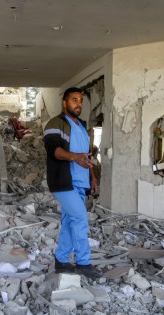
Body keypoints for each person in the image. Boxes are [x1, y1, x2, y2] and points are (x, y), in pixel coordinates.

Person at [43, 87, 102, 279]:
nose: (79, 104)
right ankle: (83, 262)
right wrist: (74, 157)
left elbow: (86, 156)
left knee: (69, 221)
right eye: (74, 100)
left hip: (80, 182)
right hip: (62, 181)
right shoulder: (56, 123)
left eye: (81, 101)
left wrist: (92, 177)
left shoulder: (83, 126)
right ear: (65, 102)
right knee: (80, 218)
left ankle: (61, 260)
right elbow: (53, 150)